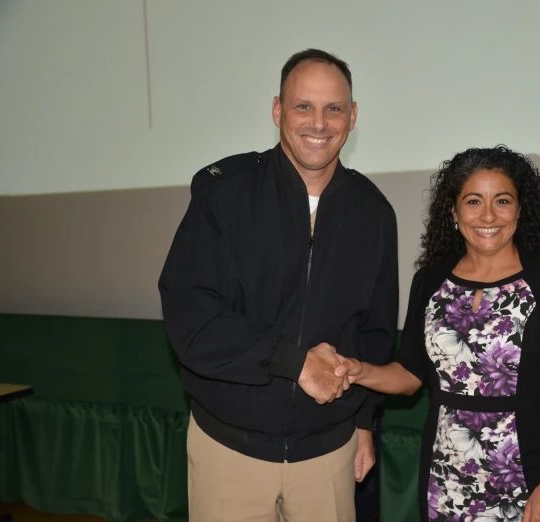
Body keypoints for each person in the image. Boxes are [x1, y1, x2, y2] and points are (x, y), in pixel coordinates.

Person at [158, 49, 398, 522]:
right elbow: (191, 321)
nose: (319, 123)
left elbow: (375, 332)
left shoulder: (374, 212)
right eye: (303, 106)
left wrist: (364, 422)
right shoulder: (222, 192)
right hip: (229, 451)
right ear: (277, 111)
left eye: (333, 109)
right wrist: (294, 362)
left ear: (352, 117)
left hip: (329, 454)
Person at [335, 146, 540, 522]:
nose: (488, 215)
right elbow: (410, 376)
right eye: (473, 201)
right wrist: (359, 370)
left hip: (528, 480)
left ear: (521, 210)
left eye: (502, 200)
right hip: (444, 481)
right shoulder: (429, 281)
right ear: (454, 212)